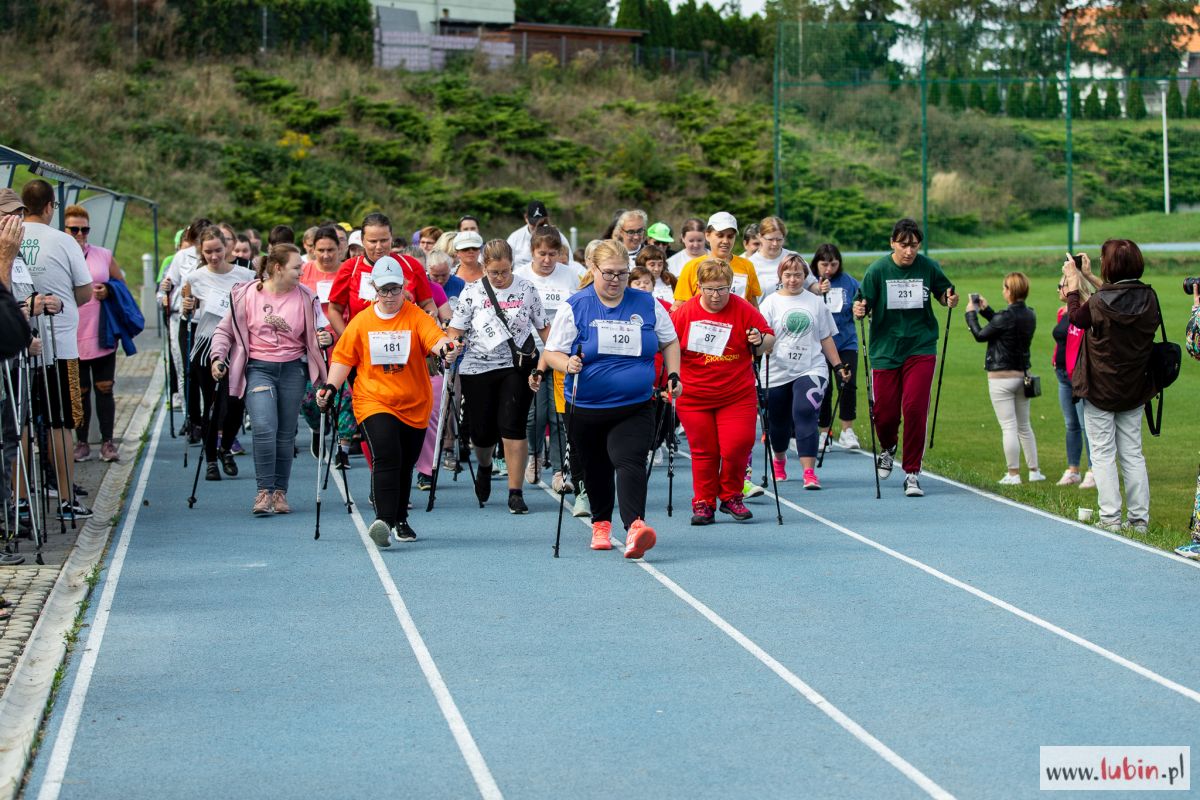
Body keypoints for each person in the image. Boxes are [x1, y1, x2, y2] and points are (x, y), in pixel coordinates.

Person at [542, 239, 680, 556]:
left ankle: (635, 527)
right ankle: (601, 523)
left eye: (622, 273)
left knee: (629, 460)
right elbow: (551, 352)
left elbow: (670, 342)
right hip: (586, 406)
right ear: (593, 270)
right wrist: (568, 363)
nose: (616, 280)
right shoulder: (576, 306)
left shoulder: (647, 304)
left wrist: (673, 375)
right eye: (609, 273)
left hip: (634, 404)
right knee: (596, 468)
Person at [318, 258, 455, 545]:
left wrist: (446, 349)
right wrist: (331, 386)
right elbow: (343, 358)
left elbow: (436, 339)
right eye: (384, 290)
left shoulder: (416, 316)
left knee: (405, 463)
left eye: (395, 289)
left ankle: (400, 519)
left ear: (404, 287)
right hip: (373, 400)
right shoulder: (362, 322)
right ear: (373, 289)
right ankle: (382, 520)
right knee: (386, 455)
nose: (390, 296)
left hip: (414, 402)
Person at [210, 244, 330, 514]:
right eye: (296, 267)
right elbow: (223, 331)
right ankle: (263, 491)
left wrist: (326, 337)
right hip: (258, 368)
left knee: (286, 433)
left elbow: (322, 328)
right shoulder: (245, 295)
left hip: (292, 369)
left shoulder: (306, 297)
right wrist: (218, 357)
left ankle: (280, 492)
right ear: (277, 269)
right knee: (264, 426)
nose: (302, 271)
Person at [852, 218, 958, 498]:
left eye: (913, 245)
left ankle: (912, 472)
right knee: (884, 414)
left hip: (920, 346)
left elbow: (944, 293)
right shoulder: (877, 270)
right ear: (892, 243)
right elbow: (861, 303)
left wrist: (948, 299)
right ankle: (888, 447)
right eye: (903, 245)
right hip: (885, 349)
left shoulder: (928, 267)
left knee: (914, 407)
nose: (909, 251)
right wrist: (860, 310)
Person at [1064, 242, 1159, 534]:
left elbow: (1077, 317)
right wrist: (1090, 278)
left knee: (1103, 453)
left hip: (1100, 387)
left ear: (1111, 266)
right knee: (1132, 453)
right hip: (1135, 385)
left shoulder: (1100, 302)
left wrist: (1072, 283)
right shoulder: (1149, 297)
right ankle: (1139, 520)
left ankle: (1110, 517)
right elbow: (1115, 296)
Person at [446, 240, 548, 514]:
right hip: (478, 366)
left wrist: (555, 356)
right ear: (484, 268)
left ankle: (515, 491)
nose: (500, 278)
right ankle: (485, 464)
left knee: (512, 425)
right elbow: (455, 331)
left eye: (505, 271)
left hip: (517, 365)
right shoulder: (472, 292)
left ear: (512, 265)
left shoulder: (526, 289)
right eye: (494, 273)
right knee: (482, 432)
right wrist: (452, 347)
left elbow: (543, 327)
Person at [672, 258, 774, 524]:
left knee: (738, 445)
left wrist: (759, 341)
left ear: (730, 286)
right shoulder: (685, 313)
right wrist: (667, 380)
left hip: (736, 393)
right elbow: (668, 346)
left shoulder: (742, 308)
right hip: (694, 395)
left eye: (722, 289)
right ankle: (704, 502)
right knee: (704, 450)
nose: (716, 295)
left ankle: (730, 496)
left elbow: (769, 338)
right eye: (709, 289)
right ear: (698, 287)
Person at [19, 180, 95, 520]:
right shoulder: (64, 241)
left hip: (18, 344)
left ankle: (21, 498)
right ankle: (65, 499)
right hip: (60, 345)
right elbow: (84, 291)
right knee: (62, 423)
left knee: (20, 424)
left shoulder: (10, 237)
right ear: (51, 206)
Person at [758, 254, 849, 488]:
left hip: (811, 367)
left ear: (805, 276)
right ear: (781, 276)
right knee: (778, 422)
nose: (793, 280)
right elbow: (760, 339)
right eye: (788, 275)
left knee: (805, 411)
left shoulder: (816, 302)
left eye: (798, 275)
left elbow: (826, 337)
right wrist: (761, 346)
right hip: (776, 370)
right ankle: (779, 460)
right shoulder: (769, 303)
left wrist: (838, 366)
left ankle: (809, 471)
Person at [183, 227, 255, 482]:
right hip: (207, 346)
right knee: (213, 404)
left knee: (235, 403)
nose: (213, 256)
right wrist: (187, 308)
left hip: (238, 345)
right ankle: (211, 458)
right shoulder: (195, 277)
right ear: (201, 252)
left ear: (226, 247)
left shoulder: (246, 275)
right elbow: (187, 313)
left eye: (217, 250)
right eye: (208, 252)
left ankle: (226, 449)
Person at [965, 272, 1045, 485]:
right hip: (1022, 375)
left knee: (1008, 426)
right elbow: (1002, 326)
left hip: (1000, 378)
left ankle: (1013, 473)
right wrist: (987, 310)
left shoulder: (1005, 317)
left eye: (1004, 288)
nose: (1002, 291)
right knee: (1024, 426)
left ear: (1010, 291)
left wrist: (971, 314)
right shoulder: (1030, 314)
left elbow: (981, 335)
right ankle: (1034, 470)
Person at [516, 226, 580, 487]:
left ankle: (558, 468)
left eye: (552, 254)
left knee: (558, 413)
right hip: (530, 351)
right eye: (542, 254)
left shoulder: (570, 276)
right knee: (535, 413)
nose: (547, 260)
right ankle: (534, 455)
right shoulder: (520, 276)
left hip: (561, 353)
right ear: (532, 252)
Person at [62, 204, 124, 464]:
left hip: (101, 334)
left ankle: (108, 442)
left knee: (105, 388)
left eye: (84, 229)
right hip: (72, 335)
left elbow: (120, 284)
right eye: (74, 229)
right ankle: (82, 442)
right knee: (80, 391)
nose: (79, 234)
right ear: (64, 229)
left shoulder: (103, 255)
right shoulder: (59, 253)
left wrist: (108, 291)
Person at [298, 226, 354, 469]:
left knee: (346, 398)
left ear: (340, 248)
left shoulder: (348, 271)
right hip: (311, 346)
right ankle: (317, 427)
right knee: (309, 399)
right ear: (311, 250)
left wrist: (342, 335)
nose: (326, 255)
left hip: (342, 341)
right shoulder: (303, 272)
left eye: (331, 249)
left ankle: (343, 448)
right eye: (320, 250)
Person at [327, 213, 436, 336]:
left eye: (384, 240)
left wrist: (430, 317)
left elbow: (427, 303)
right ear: (362, 241)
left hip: (406, 344)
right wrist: (348, 340)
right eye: (373, 241)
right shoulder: (350, 268)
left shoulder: (411, 266)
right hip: (363, 347)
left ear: (391, 238)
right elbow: (334, 309)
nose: (379, 247)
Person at [812, 243, 862, 449]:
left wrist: (862, 308)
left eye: (833, 264)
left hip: (846, 341)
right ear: (817, 264)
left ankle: (847, 430)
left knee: (847, 383)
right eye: (824, 264)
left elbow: (861, 301)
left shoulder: (849, 282)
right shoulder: (811, 283)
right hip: (819, 344)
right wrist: (817, 291)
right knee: (825, 388)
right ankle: (824, 431)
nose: (829, 269)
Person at [1051, 271, 1098, 489]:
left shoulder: (1083, 310)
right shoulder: (1062, 312)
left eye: (1062, 285)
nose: (1059, 289)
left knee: (1084, 423)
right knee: (1071, 424)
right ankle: (1073, 469)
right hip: (1062, 374)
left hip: (1079, 375)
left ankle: (1093, 469)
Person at [673, 213, 762, 310]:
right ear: (707, 235)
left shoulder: (747, 265)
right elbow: (679, 306)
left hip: (738, 324)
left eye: (730, 236)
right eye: (720, 235)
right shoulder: (692, 266)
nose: (725, 241)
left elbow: (753, 306)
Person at [749, 216, 815, 300]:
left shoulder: (794, 258)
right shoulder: (750, 264)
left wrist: (820, 288)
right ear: (760, 237)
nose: (775, 244)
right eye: (770, 239)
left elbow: (811, 285)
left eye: (779, 239)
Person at [507, 201, 568, 270]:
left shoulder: (557, 237)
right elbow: (507, 265)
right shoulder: (515, 238)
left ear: (546, 219)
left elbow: (569, 262)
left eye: (540, 224)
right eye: (533, 224)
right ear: (526, 218)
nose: (536, 227)